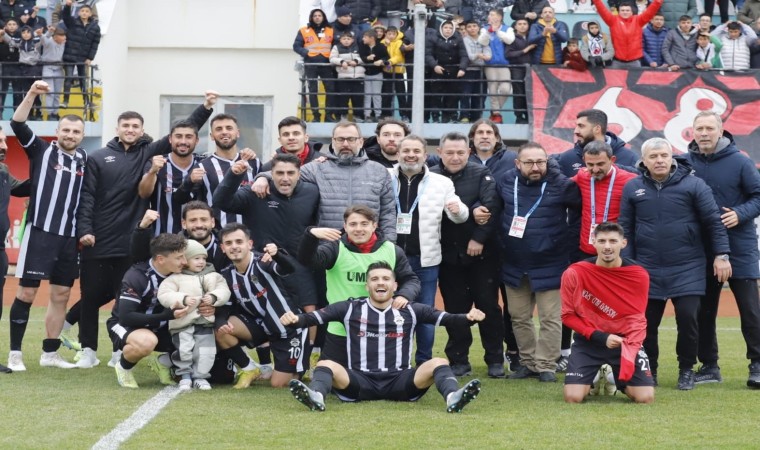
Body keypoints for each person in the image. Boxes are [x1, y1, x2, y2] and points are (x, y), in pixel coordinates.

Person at [71, 93, 216, 369]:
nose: (130, 130)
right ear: (117, 128)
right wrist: (85, 230)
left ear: (141, 130)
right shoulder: (98, 157)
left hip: (131, 239)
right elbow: (86, 196)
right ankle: (88, 349)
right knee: (89, 296)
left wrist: (206, 107)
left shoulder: (147, 152)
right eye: (125, 125)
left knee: (122, 298)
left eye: (135, 126)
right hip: (98, 238)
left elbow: (182, 133)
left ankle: (119, 349)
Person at [283, 261, 484, 413]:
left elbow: (449, 319)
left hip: (400, 381)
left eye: (386, 279)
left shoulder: (411, 309)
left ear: (395, 286)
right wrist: (294, 319)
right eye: (375, 279)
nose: (380, 282)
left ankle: (453, 397)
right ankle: (316, 397)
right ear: (367, 286)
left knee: (439, 362)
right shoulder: (350, 308)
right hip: (359, 381)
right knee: (325, 364)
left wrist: (469, 318)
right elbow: (312, 318)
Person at [619, 137, 731, 390]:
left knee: (689, 319)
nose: (659, 160)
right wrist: (628, 265)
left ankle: (686, 370)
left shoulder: (694, 184)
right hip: (646, 268)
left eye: (663, 155)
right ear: (644, 161)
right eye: (653, 156)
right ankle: (650, 370)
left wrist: (722, 255)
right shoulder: (632, 187)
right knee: (646, 323)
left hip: (688, 267)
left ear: (671, 158)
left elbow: (713, 222)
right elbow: (626, 228)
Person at [6, 81, 86, 372]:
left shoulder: (85, 160)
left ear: (82, 136)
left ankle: (49, 354)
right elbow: (17, 123)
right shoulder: (41, 150)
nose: (70, 135)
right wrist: (31, 94)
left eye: (76, 131)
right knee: (27, 293)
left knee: (61, 294)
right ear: (58, 131)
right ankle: (15, 354)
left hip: (70, 238)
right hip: (40, 234)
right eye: (66, 130)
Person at [213, 153, 321, 352]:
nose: (285, 178)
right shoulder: (256, 192)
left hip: (299, 261)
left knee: (309, 307)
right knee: (267, 310)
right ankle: (267, 356)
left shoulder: (312, 191)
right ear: (271, 173)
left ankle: (309, 353)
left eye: (290, 173)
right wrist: (234, 175)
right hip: (265, 263)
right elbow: (221, 201)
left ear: (299, 174)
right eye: (279, 173)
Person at [685, 111, 760, 389]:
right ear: (693, 131)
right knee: (704, 311)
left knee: (750, 310)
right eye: (699, 128)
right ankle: (709, 366)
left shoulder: (740, 161)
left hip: (740, 247)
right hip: (702, 249)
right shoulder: (685, 162)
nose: (704, 133)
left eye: (709, 128)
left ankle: (757, 364)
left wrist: (740, 213)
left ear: (720, 131)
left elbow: (758, 195)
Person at [297, 205, 420, 366]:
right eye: (353, 224)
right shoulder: (335, 248)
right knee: (329, 374)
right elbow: (307, 260)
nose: (358, 229)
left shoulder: (392, 250)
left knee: (378, 377)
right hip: (341, 329)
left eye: (364, 224)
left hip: (379, 329)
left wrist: (404, 295)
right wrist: (310, 235)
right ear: (345, 226)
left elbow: (411, 279)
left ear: (374, 225)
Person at [497, 142, 580, 383]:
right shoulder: (506, 181)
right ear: (517, 163)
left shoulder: (561, 184)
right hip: (514, 262)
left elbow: (580, 212)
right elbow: (495, 209)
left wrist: (564, 240)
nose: (535, 167)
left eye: (540, 162)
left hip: (551, 262)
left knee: (550, 318)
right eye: (529, 162)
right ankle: (528, 363)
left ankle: (546, 365)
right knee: (518, 317)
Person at [430, 132, 505, 378]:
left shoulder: (482, 174)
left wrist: (478, 238)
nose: (455, 157)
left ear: (469, 152)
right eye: (449, 152)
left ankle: (495, 359)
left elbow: (492, 207)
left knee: (488, 307)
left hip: (482, 255)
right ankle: (459, 360)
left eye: (460, 152)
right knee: (455, 309)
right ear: (439, 153)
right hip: (448, 255)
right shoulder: (431, 175)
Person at [390, 135, 469, 365]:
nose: (411, 155)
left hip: (425, 260)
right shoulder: (384, 176)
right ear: (398, 154)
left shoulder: (441, 182)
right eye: (406, 151)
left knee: (425, 314)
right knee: (390, 314)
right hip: (389, 261)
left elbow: (460, 215)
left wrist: (458, 210)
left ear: (425, 155)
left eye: (416, 151)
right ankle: (395, 362)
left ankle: (424, 362)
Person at [253, 121, 397, 241]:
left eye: (351, 139)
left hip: (368, 247)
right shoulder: (317, 168)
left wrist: (389, 245)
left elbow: (388, 213)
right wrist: (262, 177)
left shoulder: (379, 171)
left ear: (361, 141)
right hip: (328, 248)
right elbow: (287, 174)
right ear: (333, 141)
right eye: (340, 139)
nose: (345, 144)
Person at [561, 222, 655, 404]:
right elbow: (567, 316)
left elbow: (637, 318)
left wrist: (629, 347)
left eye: (613, 241)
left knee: (645, 397)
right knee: (572, 397)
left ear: (623, 243)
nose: (607, 246)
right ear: (593, 242)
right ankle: (593, 376)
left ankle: (612, 376)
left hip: (623, 341)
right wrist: (600, 337)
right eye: (602, 241)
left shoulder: (638, 275)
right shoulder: (575, 272)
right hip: (589, 340)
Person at [216, 223, 311, 388]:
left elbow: (288, 268)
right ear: (223, 248)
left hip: (289, 330)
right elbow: (224, 307)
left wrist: (278, 255)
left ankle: (302, 366)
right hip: (262, 328)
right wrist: (220, 322)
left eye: (239, 241)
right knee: (221, 330)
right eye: (229, 243)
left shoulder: (264, 262)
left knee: (278, 383)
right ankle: (250, 369)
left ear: (249, 244)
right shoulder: (226, 275)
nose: (234, 246)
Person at [106, 233, 188, 388]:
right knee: (147, 342)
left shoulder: (179, 273)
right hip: (126, 325)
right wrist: (165, 316)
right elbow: (126, 317)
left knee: (197, 338)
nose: (185, 262)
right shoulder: (137, 276)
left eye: (184, 256)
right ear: (160, 259)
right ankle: (123, 367)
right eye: (179, 258)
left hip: (160, 325)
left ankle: (162, 363)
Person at [157, 240, 230, 391]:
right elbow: (164, 294)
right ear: (185, 260)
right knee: (184, 350)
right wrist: (182, 299)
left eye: (203, 258)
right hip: (182, 323)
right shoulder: (175, 278)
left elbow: (224, 290)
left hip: (205, 323)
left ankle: (200, 377)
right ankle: (185, 376)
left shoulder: (214, 276)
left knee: (206, 351)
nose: (201, 262)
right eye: (196, 258)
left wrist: (214, 297)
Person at [187, 113, 261, 228]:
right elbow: (190, 201)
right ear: (212, 136)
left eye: (229, 128)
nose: (224, 132)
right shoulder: (201, 167)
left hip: (250, 233)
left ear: (238, 133)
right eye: (219, 129)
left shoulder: (254, 162)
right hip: (218, 233)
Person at [571, 141, 637, 260]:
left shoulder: (630, 180)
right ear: (584, 160)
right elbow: (559, 187)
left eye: (600, 164)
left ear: (612, 159)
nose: (595, 169)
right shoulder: (582, 176)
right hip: (586, 250)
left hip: (616, 251)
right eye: (590, 164)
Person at [138, 120, 204, 235]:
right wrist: (153, 171)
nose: (183, 141)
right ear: (170, 139)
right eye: (178, 136)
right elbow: (143, 193)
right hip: (163, 237)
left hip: (198, 238)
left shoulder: (203, 163)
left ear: (196, 140)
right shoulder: (157, 162)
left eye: (188, 137)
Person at [0, 126, 29, 373]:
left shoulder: (3, 171)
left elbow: (22, 188)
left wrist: (46, 173)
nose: (4, 146)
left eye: (4, 141)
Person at [556, 109, 638, 178]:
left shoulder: (629, 158)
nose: (576, 131)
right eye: (576, 126)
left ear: (597, 129)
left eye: (581, 126)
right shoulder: (566, 158)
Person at [592, 0, 663, 68]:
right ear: (619, 12)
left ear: (632, 12)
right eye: (622, 10)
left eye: (627, 10)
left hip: (635, 62)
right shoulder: (613, 21)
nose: (625, 12)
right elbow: (602, 10)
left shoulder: (638, 21)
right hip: (617, 62)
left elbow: (651, 10)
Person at [294, 8, 336, 122]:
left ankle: (328, 115)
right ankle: (316, 115)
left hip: (326, 64)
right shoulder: (304, 30)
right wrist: (306, 53)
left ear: (323, 17)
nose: (317, 17)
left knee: (330, 89)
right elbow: (296, 46)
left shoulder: (331, 30)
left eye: (319, 15)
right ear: (311, 18)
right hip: (311, 63)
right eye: (315, 16)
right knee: (313, 90)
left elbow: (335, 45)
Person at [425, 20, 468, 124]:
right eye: (446, 27)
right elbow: (428, 54)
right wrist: (434, 65)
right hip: (438, 70)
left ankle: (451, 116)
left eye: (450, 28)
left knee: (453, 95)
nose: (448, 30)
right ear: (441, 28)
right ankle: (435, 117)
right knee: (436, 95)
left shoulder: (458, 39)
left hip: (454, 70)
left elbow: (464, 55)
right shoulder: (433, 38)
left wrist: (462, 68)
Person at [60, 0, 100, 111]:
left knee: (83, 80)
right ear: (79, 12)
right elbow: (65, 16)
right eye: (82, 11)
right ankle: (65, 101)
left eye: (87, 11)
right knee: (68, 78)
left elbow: (95, 44)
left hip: (83, 58)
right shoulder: (73, 22)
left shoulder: (95, 27)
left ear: (90, 14)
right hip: (70, 56)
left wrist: (90, 58)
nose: (84, 13)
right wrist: (68, 6)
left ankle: (86, 101)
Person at [479, 9, 514, 124]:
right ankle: (497, 114)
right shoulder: (484, 29)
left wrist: (497, 31)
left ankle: (495, 111)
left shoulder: (507, 29)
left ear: (499, 17)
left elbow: (509, 40)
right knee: (493, 90)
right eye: (489, 15)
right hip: (490, 64)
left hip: (504, 64)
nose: (490, 16)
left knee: (505, 89)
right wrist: (489, 31)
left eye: (492, 14)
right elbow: (482, 42)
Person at [504, 18, 535, 124]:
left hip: (531, 69)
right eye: (520, 24)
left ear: (528, 26)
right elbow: (508, 54)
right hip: (517, 68)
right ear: (515, 26)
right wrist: (525, 50)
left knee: (530, 93)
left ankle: (528, 116)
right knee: (519, 93)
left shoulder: (532, 38)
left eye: (525, 24)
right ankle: (519, 116)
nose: (522, 26)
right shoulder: (512, 38)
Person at [330, 31, 365, 121]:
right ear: (340, 40)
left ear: (352, 40)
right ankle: (343, 116)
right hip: (344, 77)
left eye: (348, 39)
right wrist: (341, 62)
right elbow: (332, 58)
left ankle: (358, 116)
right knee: (343, 98)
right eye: (344, 39)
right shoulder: (336, 47)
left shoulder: (359, 46)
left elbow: (364, 57)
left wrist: (356, 61)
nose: (346, 40)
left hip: (358, 77)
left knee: (358, 98)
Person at [461, 20, 491, 124]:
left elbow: (488, 53)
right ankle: (464, 116)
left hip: (482, 71)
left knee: (480, 95)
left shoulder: (484, 39)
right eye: (469, 26)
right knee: (466, 94)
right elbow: (469, 56)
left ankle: (476, 117)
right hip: (468, 70)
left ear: (478, 28)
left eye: (474, 26)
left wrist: (484, 57)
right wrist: (478, 55)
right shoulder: (464, 40)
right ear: (466, 29)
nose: (472, 28)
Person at [358, 28, 389, 122]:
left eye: (365, 37)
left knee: (377, 95)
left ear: (372, 38)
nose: (363, 39)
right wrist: (367, 58)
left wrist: (381, 61)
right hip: (366, 73)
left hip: (377, 73)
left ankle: (378, 115)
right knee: (367, 95)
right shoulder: (362, 46)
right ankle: (367, 115)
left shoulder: (381, 46)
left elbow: (387, 57)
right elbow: (361, 57)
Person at [38, 26, 66, 121]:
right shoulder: (49, 42)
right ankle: (50, 114)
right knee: (50, 92)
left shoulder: (63, 43)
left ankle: (55, 112)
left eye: (64, 35)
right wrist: (47, 32)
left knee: (57, 93)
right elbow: (43, 40)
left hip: (59, 68)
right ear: (55, 37)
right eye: (61, 36)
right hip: (48, 67)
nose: (63, 37)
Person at [381, 26, 408, 120]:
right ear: (386, 34)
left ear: (397, 34)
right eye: (389, 34)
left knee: (401, 94)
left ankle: (403, 114)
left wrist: (390, 62)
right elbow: (381, 54)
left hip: (398, 71)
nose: (391, 36)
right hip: (386, 71)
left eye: (393, 34)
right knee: (386, 94)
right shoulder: (382, 43)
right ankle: (386, 114)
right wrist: (386, 45)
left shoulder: (399, 42)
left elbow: (399, 56)